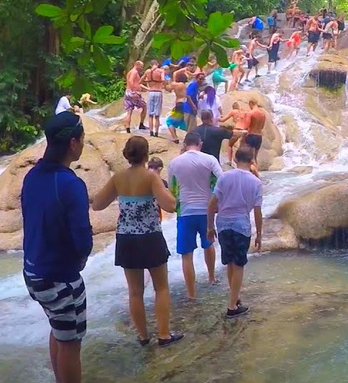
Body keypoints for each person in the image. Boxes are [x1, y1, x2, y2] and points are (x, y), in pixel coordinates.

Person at [21, 111, 110, 383]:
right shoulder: (70, 184)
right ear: (73, 143)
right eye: (82, 139)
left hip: (33, 271)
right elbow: (82, 237)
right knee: (71, 341)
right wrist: (80, 261)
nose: (83, 144)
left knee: (59, 329)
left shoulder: (32, 176)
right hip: (59, 275)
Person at [91, 137, 182, 347]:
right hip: (150, 237)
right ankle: (164, 334)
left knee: (134, 291)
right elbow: (169, 206)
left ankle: (142, 336)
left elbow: (97, 205)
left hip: (126, 239)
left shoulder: (118, 178)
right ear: (146, 154)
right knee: (161, 288)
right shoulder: (151, 177)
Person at [207, 146, 262, 319]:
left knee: (230, 262)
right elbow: (257, 211)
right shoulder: (256, 182)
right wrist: (259, 233)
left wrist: (210, 227)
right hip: (241, 225)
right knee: (238, 264)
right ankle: (232, 307)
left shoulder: (224, 177)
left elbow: (211, 205)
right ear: (252, 161)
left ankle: (235, 297)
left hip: (222, 223)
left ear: (236, 160)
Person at [167, 131, 224, 298]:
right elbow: (222, 180)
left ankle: (191, 293)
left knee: (186, 254)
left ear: (185, 144)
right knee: (208, 244)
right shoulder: (209, 159)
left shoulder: (174, 163)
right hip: (206, 210)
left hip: (185, 212)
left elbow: (171, 188)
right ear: (200, 144)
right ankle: (211, 278)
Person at [142, 59, 166, 137]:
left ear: (151, 65)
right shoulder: (160, 71)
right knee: (157, 115)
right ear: (157, 64)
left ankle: (151, 132)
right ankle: (156, 133)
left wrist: (148, 85)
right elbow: (163, 79)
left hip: (151, 92)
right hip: (158, 92)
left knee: (150, 115)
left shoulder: (147, 71)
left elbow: (140, 81)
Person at [243, 98, 266, 174]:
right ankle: (256, 173)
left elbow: (246, 126)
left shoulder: (251, 113)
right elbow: (262, 127)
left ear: (251, 103)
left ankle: (256, 175)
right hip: (259, 137)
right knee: (255, 157)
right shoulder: (263, 114)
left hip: (251, 136)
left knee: (250, 158)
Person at [124, 61, 148, 134]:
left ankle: (128, 128)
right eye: (141, 66)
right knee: (145, 106)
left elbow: (135, 83)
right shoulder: (134, 72)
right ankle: (141, 124)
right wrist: (134, 91)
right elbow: (131, 81)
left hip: (128, 92)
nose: (142, 68)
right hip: (133, 93)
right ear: (137, 65)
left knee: (129, 111)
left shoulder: (130, 72)